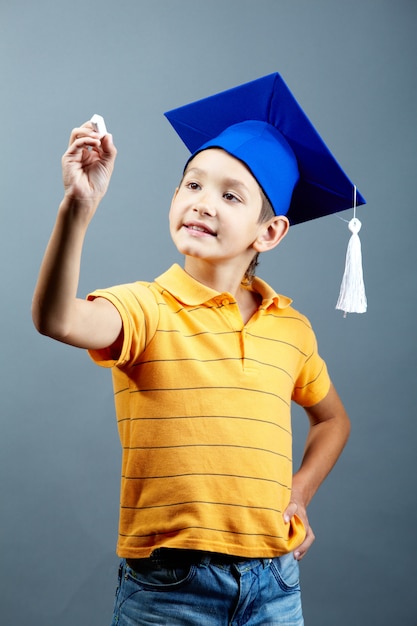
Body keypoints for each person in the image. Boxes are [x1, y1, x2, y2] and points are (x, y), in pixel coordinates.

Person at [32, 73, 359, 625]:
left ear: (270, 232)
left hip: (275, 583)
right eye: (192, 185)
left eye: (231, 195)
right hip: (169, 588)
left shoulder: (291, 328)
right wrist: (77, 207)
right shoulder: (145, 309)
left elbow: (332, 421)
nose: (203, 203)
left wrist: (298, 493)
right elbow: (57, 318)